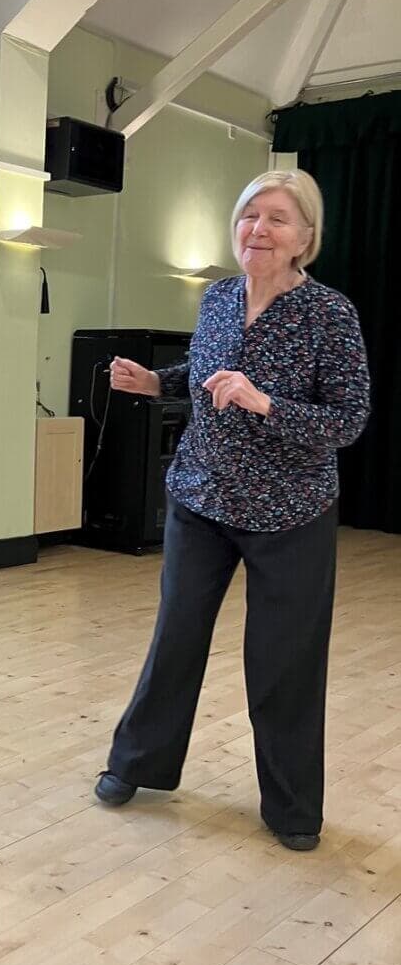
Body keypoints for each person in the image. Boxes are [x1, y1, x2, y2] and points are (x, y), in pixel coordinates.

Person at [94, 169, 369, 851]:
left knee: (284, 663)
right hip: (200, 497)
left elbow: (350, 419)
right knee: (175, 639)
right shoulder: (218, 298)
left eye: (277, 218)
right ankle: (137, 764)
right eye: (250, 216)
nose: (259, 229)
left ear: (305, 236)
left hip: (291, 511)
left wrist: (265, 402)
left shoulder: (329, 314)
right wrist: (157, 381)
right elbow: (204, 371)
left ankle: (292, 807)